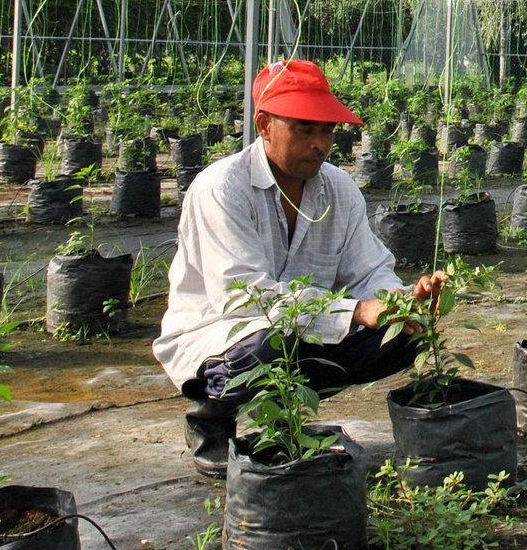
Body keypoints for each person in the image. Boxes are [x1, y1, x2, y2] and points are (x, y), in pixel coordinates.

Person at [154, 58, 446, 473]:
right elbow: (244, 299)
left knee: (406, 333)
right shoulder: (222, 189)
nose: (320, 143)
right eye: (304, 128)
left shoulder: (338, 189)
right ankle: (211, 418)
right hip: (223, 335)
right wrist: (357, 311)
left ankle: (288, 420)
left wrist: (401, 300)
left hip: (302, 329)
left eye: (327, 130)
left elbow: (368, 270)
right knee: (274, 342)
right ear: (264, 125)